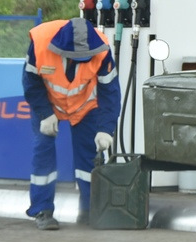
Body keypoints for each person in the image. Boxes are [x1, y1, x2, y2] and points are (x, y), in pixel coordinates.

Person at [22, 17, 121, 230]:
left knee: (90, 158)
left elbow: (110, 92)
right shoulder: (40, 42)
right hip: (47, 105)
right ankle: (42, 210)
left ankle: (90, 210)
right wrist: (44, 114)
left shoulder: (102, 50)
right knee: (43, 154)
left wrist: (105, 129)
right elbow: (30, 83)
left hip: (85, 106)